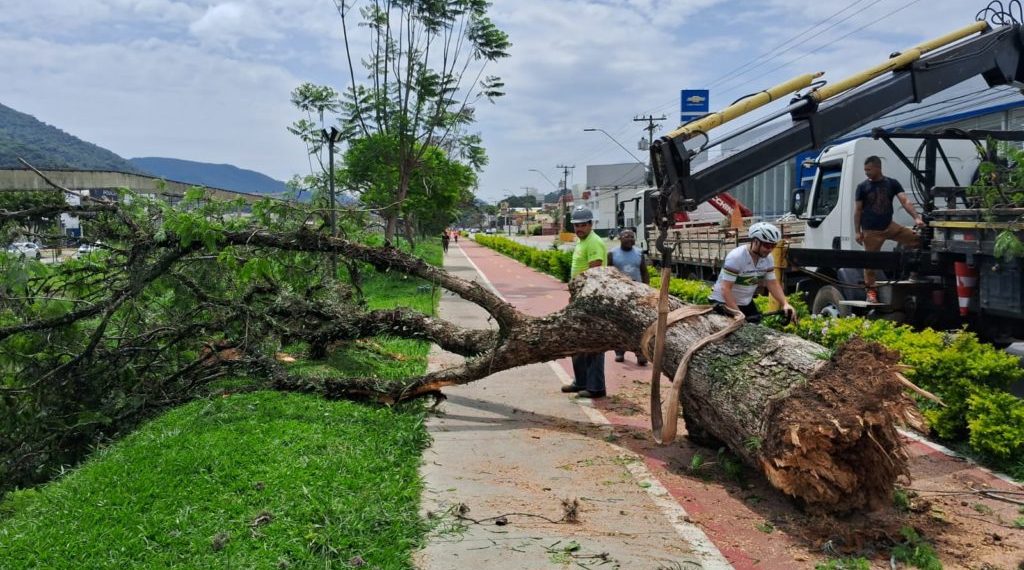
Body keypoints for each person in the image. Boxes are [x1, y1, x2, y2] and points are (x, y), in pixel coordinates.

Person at [854, 155, 923, 303]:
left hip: (889, 226)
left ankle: (914, 272)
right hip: (871, 231)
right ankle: (871, 292)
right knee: (870, 263)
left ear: (878, 168)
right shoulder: (862, 187)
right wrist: (857, 231)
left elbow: (905, 201)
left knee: (917, 240)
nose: (866, 173)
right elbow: (858, 210)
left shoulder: (892, 183)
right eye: (865, 170)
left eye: (869, 170)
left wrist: (916, 217)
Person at [561, 207, 608, 399]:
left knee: (593, 343)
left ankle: (596, 387)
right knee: (577, 340)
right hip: (579, 297)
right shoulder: (582, 242)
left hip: (590, 299)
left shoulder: (594, 242)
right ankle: (581, 381)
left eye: (582, 225)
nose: (579, 228)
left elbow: (594, 274)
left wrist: (584, 299)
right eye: (576, 225)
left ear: (590, 224)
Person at [709, 222, 796, 323]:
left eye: (773, 245)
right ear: (755, 241)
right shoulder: (736, 257)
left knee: (756, 328)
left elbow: (772, 284)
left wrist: (785, 303)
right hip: (723, 301)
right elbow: (726, 289)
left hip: (745, 302)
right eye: (767, 245)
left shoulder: (768, 259)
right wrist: (738, 313)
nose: (770, 250)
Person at [608, 229, 650, 365]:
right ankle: (619, 351)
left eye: (632, 236)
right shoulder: (612, 253)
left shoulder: (639, 253)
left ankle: (640, 353)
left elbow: (644, 272)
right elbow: (608, 274)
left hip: (637, 294)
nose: (629, 239)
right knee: (619, 324)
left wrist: (647, 290)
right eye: (626, 236)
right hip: (619, 294)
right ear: (620, 238)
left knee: (639, 324)